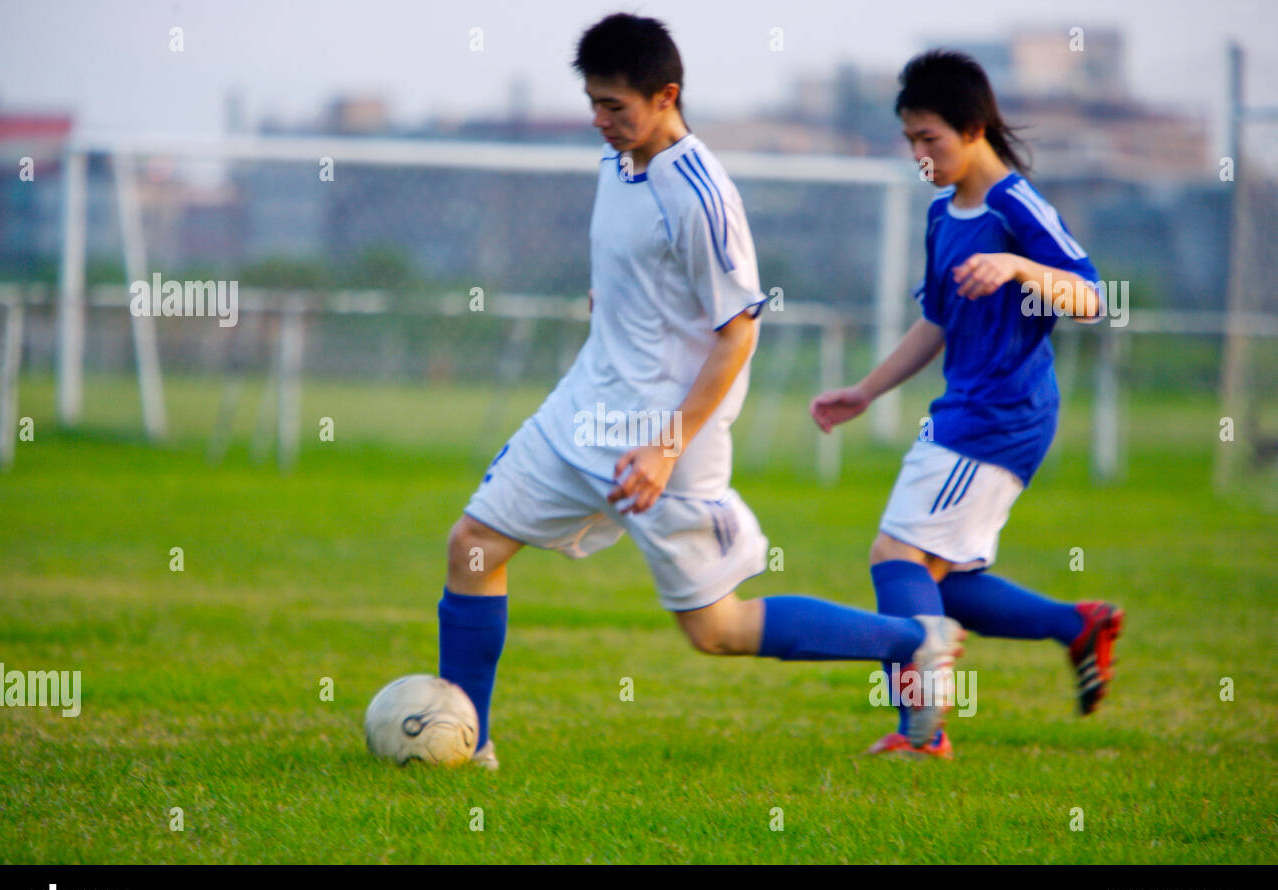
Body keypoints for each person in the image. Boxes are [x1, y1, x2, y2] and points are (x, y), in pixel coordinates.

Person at [437, 15, 964, 770]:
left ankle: (914, 641)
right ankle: (468, 742)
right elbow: (640, 282)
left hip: (664, 440)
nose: (600, 121)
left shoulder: (701, 193)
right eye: (593, 103)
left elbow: (739, 332)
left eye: (615, 106)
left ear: (666, 95)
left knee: (715, 629)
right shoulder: (613, 167)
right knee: (475, 547)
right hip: (581, 409)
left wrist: (665, 445)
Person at [810, 49, 1123, 760]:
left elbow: (1092, 298)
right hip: (969, 410)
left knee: (896, 554)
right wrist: (866, 390)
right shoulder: (940, 214)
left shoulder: (1017, 207)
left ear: (975, 128)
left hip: (1000, 415)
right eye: (910, 141)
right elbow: (938, 322)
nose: (920, 155)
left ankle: (923, 732)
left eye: (932, 140)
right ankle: (1079, 625)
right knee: (945, 582)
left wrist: (1019, 265)